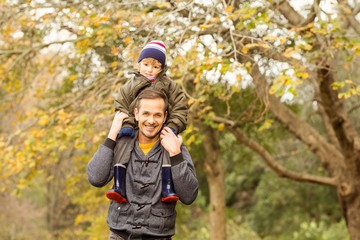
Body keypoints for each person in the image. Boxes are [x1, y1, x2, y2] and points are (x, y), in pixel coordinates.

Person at [87, 88, 198, 239]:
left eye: (157, 115)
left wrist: (175, 154)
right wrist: (112, 133)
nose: (151, 121)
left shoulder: (175, 144)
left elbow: (189, 196)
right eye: (146, 113)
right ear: (137, 113)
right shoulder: (121, 142)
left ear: (165, 116)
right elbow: (95, 178)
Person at [106, 40, 188, 204]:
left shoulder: (169, 85)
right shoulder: (130, 85)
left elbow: (180, 108)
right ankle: (119, 185)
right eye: (146, 64)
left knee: (166, 148)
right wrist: (128, 124)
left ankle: (167, 187)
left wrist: (172, 126)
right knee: (123, 145)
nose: (150, 70)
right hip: (132, 129)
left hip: (161, 128)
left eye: (156, 66)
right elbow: (122, 105)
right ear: (139, 64)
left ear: (162, 68)